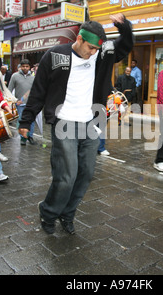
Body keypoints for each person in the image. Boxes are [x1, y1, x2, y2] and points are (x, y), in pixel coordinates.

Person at [19, 14, 133, 235]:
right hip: (64, 122)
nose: (93, 53)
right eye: (90, 48)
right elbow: (38, 91)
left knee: (86, 173)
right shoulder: (54, 55)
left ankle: (67, 213)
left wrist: (124, 27)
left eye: (96, 49)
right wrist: (26, 119)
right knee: (67, 175)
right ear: (79, 38)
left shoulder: (102, 53)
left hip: (90, 123)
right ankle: (48, 211)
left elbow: (125, 45)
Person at [8, 59, 39, 145]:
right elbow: (9, 90)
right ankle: (23, 138)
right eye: (23, 66)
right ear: (20, 67)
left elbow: (36, 90)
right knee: (21, 121)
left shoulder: (33, 77)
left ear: (29, 67)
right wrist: (14, 100)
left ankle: (30, 136)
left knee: (32, 121)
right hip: (20, 104)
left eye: (27, 66)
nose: (25, 68)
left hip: (31, 103)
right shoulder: (15, 76)